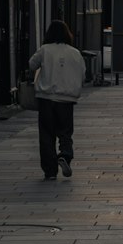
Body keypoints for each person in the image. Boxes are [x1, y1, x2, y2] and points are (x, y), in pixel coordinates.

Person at [28, 20, 86, 180]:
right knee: (65, 133)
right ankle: (65, 155)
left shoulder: (44, 50)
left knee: (47, 135)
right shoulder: (76, 53)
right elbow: (83, 75)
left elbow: (32, 65)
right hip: (67, 100)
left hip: (46, 98)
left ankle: (50, 170)